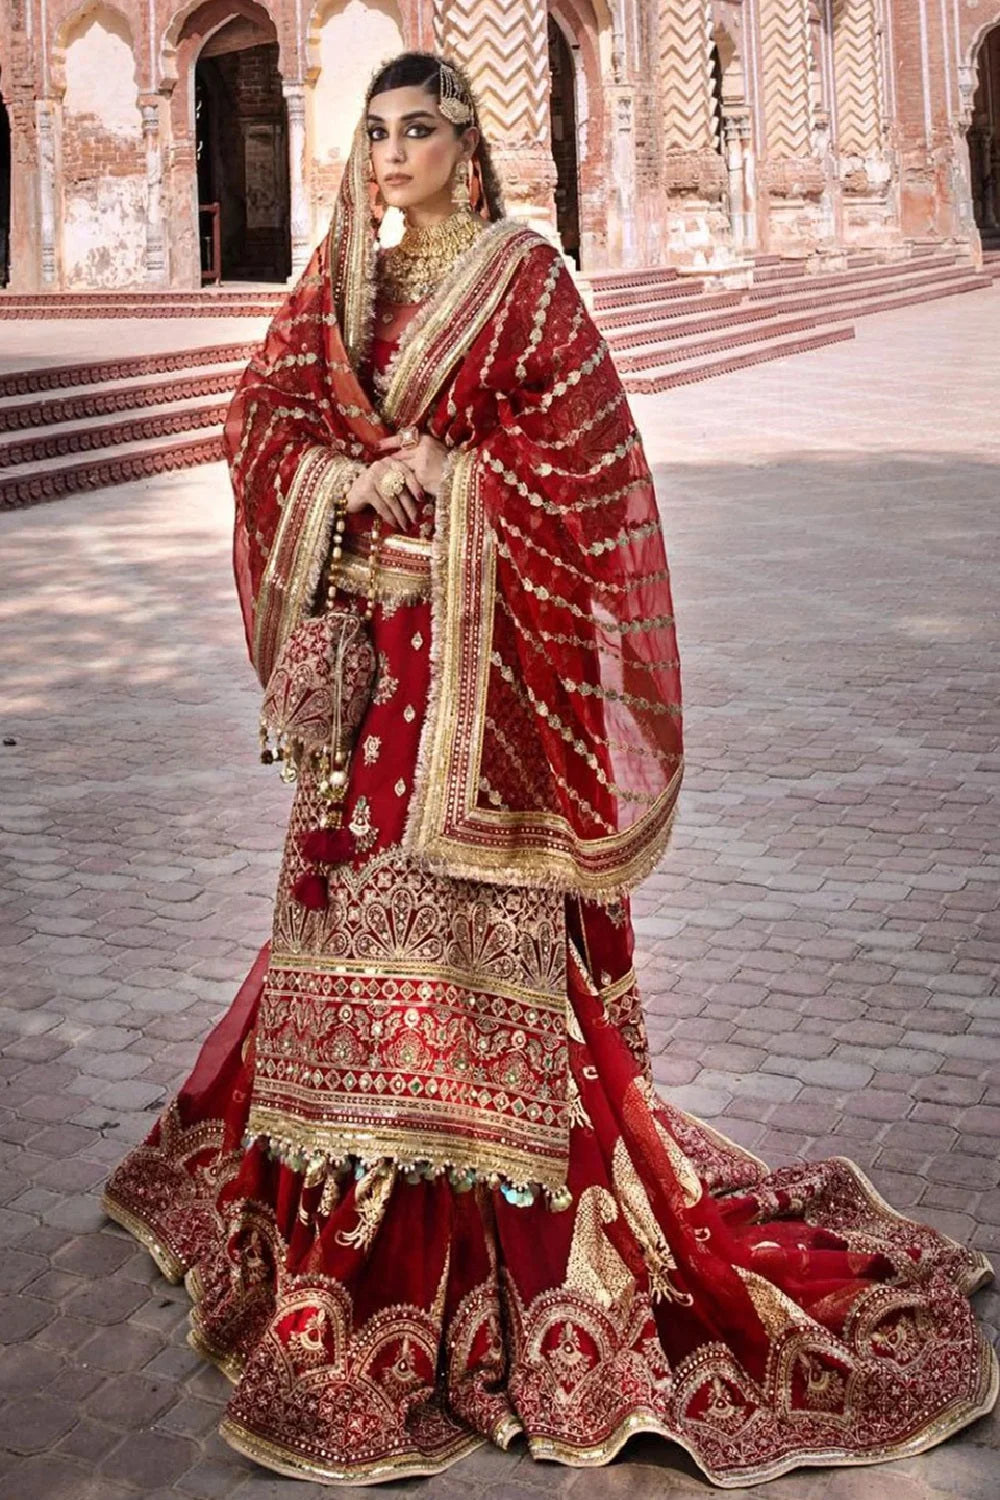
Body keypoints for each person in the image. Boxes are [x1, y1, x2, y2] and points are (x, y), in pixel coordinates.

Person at [104, 51, 997, 1488]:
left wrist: (439, 488)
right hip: (377, 691)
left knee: (481, 967)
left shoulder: (528, 284)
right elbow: (260, 425)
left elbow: (587, 477)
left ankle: (502, 1241)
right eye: (374, 131)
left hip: (484, 700)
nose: (390, 154)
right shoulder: (347, 285)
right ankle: (350, 1229)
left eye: (418, 131)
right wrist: (347, 484)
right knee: (349, 942)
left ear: (469, 144)